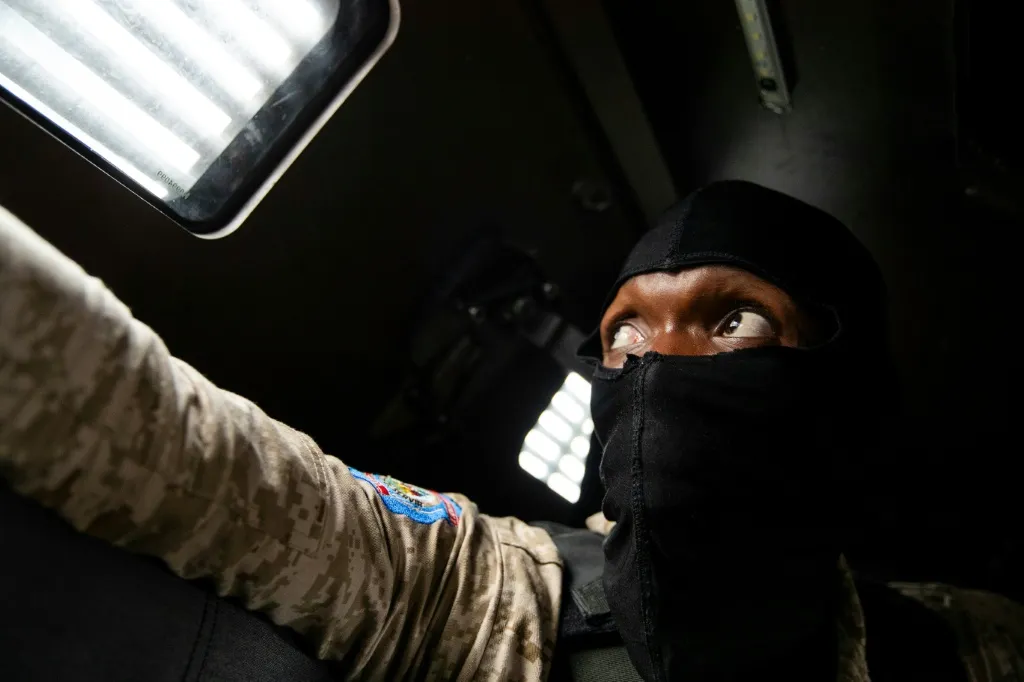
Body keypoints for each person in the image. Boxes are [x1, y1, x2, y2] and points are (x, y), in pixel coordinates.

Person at [1, 181, 1022, 682]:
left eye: (733, 321)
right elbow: (197, 457)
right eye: (626, 333)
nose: (657, 366)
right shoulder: (493, 604)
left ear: (839, 393)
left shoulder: (959, 642)